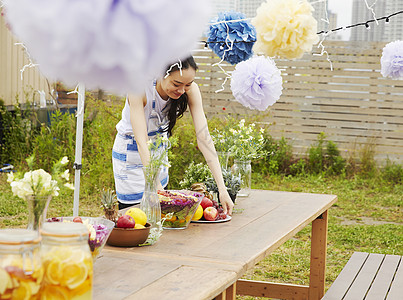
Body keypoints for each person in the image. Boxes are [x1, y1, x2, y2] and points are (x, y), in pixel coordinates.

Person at [112, 56, 234, 215]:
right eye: (176, 84)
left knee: (162, 219)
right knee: (136, 217)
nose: (182, 90)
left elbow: (204, 139)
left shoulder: (190, 90)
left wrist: (222, 189)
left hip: (158, 155)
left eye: (187, 84)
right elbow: (142, 142)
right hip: (132, 157)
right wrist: (154, 184)